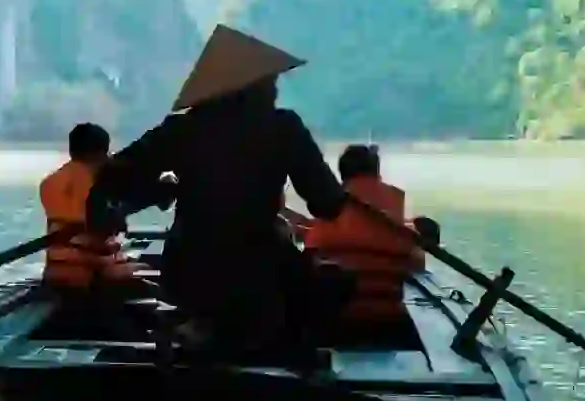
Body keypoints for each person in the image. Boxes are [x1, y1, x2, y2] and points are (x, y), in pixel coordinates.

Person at [84, 25, 347, 353]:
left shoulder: (182, 129)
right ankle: (298, 355)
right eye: (270, 81)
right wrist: (338, 196)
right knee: (335, 280)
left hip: (188, 272)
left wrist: (149, 192)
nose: (275, 89)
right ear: (254, 86)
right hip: (259, 269)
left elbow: (113, 178)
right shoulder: (284, 128)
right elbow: (326, 206)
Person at [302, 144, 440, 323]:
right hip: (388, 317)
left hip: (336, 320)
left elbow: (309, 253)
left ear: (343, 176)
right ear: (377, 174)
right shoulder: (404, 233)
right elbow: (418, 263)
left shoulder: (326, 217)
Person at [38, 123, 144, 295]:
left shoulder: (49, 182)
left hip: (55, 269)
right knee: (149, 271)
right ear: (99, 154)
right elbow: (112, 227)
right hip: (93, 270)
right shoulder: (100, 185)